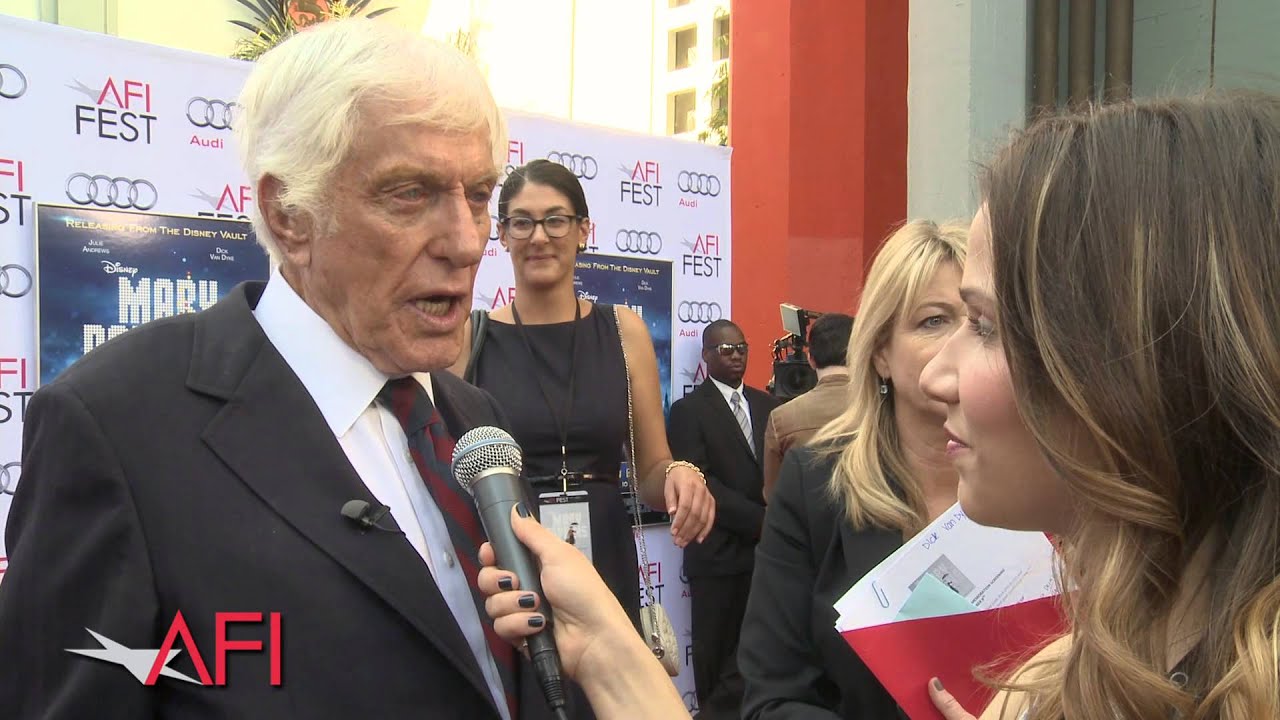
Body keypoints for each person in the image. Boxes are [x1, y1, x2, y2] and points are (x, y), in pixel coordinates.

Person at [483, 91, 1280, 720]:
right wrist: (614, 660)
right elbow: (772, 688)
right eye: (936, 323)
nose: (945, 373)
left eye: (985, 326)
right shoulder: (1100, 659)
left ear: (1140, 366)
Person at [0, 20, 555, 720]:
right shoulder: (117, 427)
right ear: (290, 215)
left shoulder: (475, 421)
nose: (468, 241)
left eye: (477, 194)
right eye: (410, 194)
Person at [448, 158, 715, 718]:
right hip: (512, 558)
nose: (539, 236)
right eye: (521, 222)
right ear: (502, 235)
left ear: (583, 231)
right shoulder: (472, 338)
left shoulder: (622, 330)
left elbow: (651, 468)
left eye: (555, 220)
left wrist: (679, 475)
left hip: (606, 557)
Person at [740, 220, 966, 719]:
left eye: (983, 322)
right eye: (934, 321)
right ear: (880, 352)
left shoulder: (1043, 483)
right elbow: (772, 698)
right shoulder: (816, 483)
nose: (961, 341)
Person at [666, 319, 780, 718]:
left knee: (760, 656)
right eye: (726, 349)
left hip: (765, 558)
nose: (735, 356)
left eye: (741, 348)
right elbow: (701, 481)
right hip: (716, 555)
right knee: (715, 662)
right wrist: (760, 521)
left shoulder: (769, 405)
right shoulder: (687, 411)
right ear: (706, 356)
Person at [759, 311, 854, 501]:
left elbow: (773, 495)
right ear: (858, 353)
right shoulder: (883, 408)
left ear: (810, 359)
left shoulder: (781, 418)